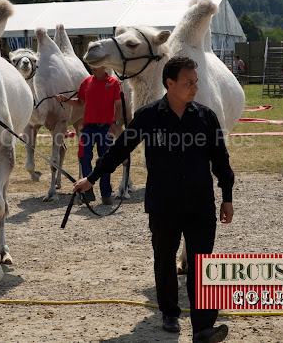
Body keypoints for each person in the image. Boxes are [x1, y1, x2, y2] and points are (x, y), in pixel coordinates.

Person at [73, 56, 234, 342]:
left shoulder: (206, 117)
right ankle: (170, 312)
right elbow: (120, 150)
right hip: (164, 204)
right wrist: (92, 178)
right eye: (189, 83)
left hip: (201, 204)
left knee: (202, 263)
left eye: (196, 82)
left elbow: (221, 160)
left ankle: (203, 328)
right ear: (170, 84)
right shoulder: (148, 116)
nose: (195, 87)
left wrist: (227, 197)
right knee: (164, 259)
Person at [55, 65, 122, 205]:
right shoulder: (86, 82)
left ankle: (106, 193)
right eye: (91, 65)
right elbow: (80, 102)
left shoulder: (114, 83)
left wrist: (115, 124)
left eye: (95, 65)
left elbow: (119, 105)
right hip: (88, 128)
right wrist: (65, 99)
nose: (92, 68)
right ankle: (88, 191)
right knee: (84, 158)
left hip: (106, 129)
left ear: (104, 66)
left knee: (104, 161)